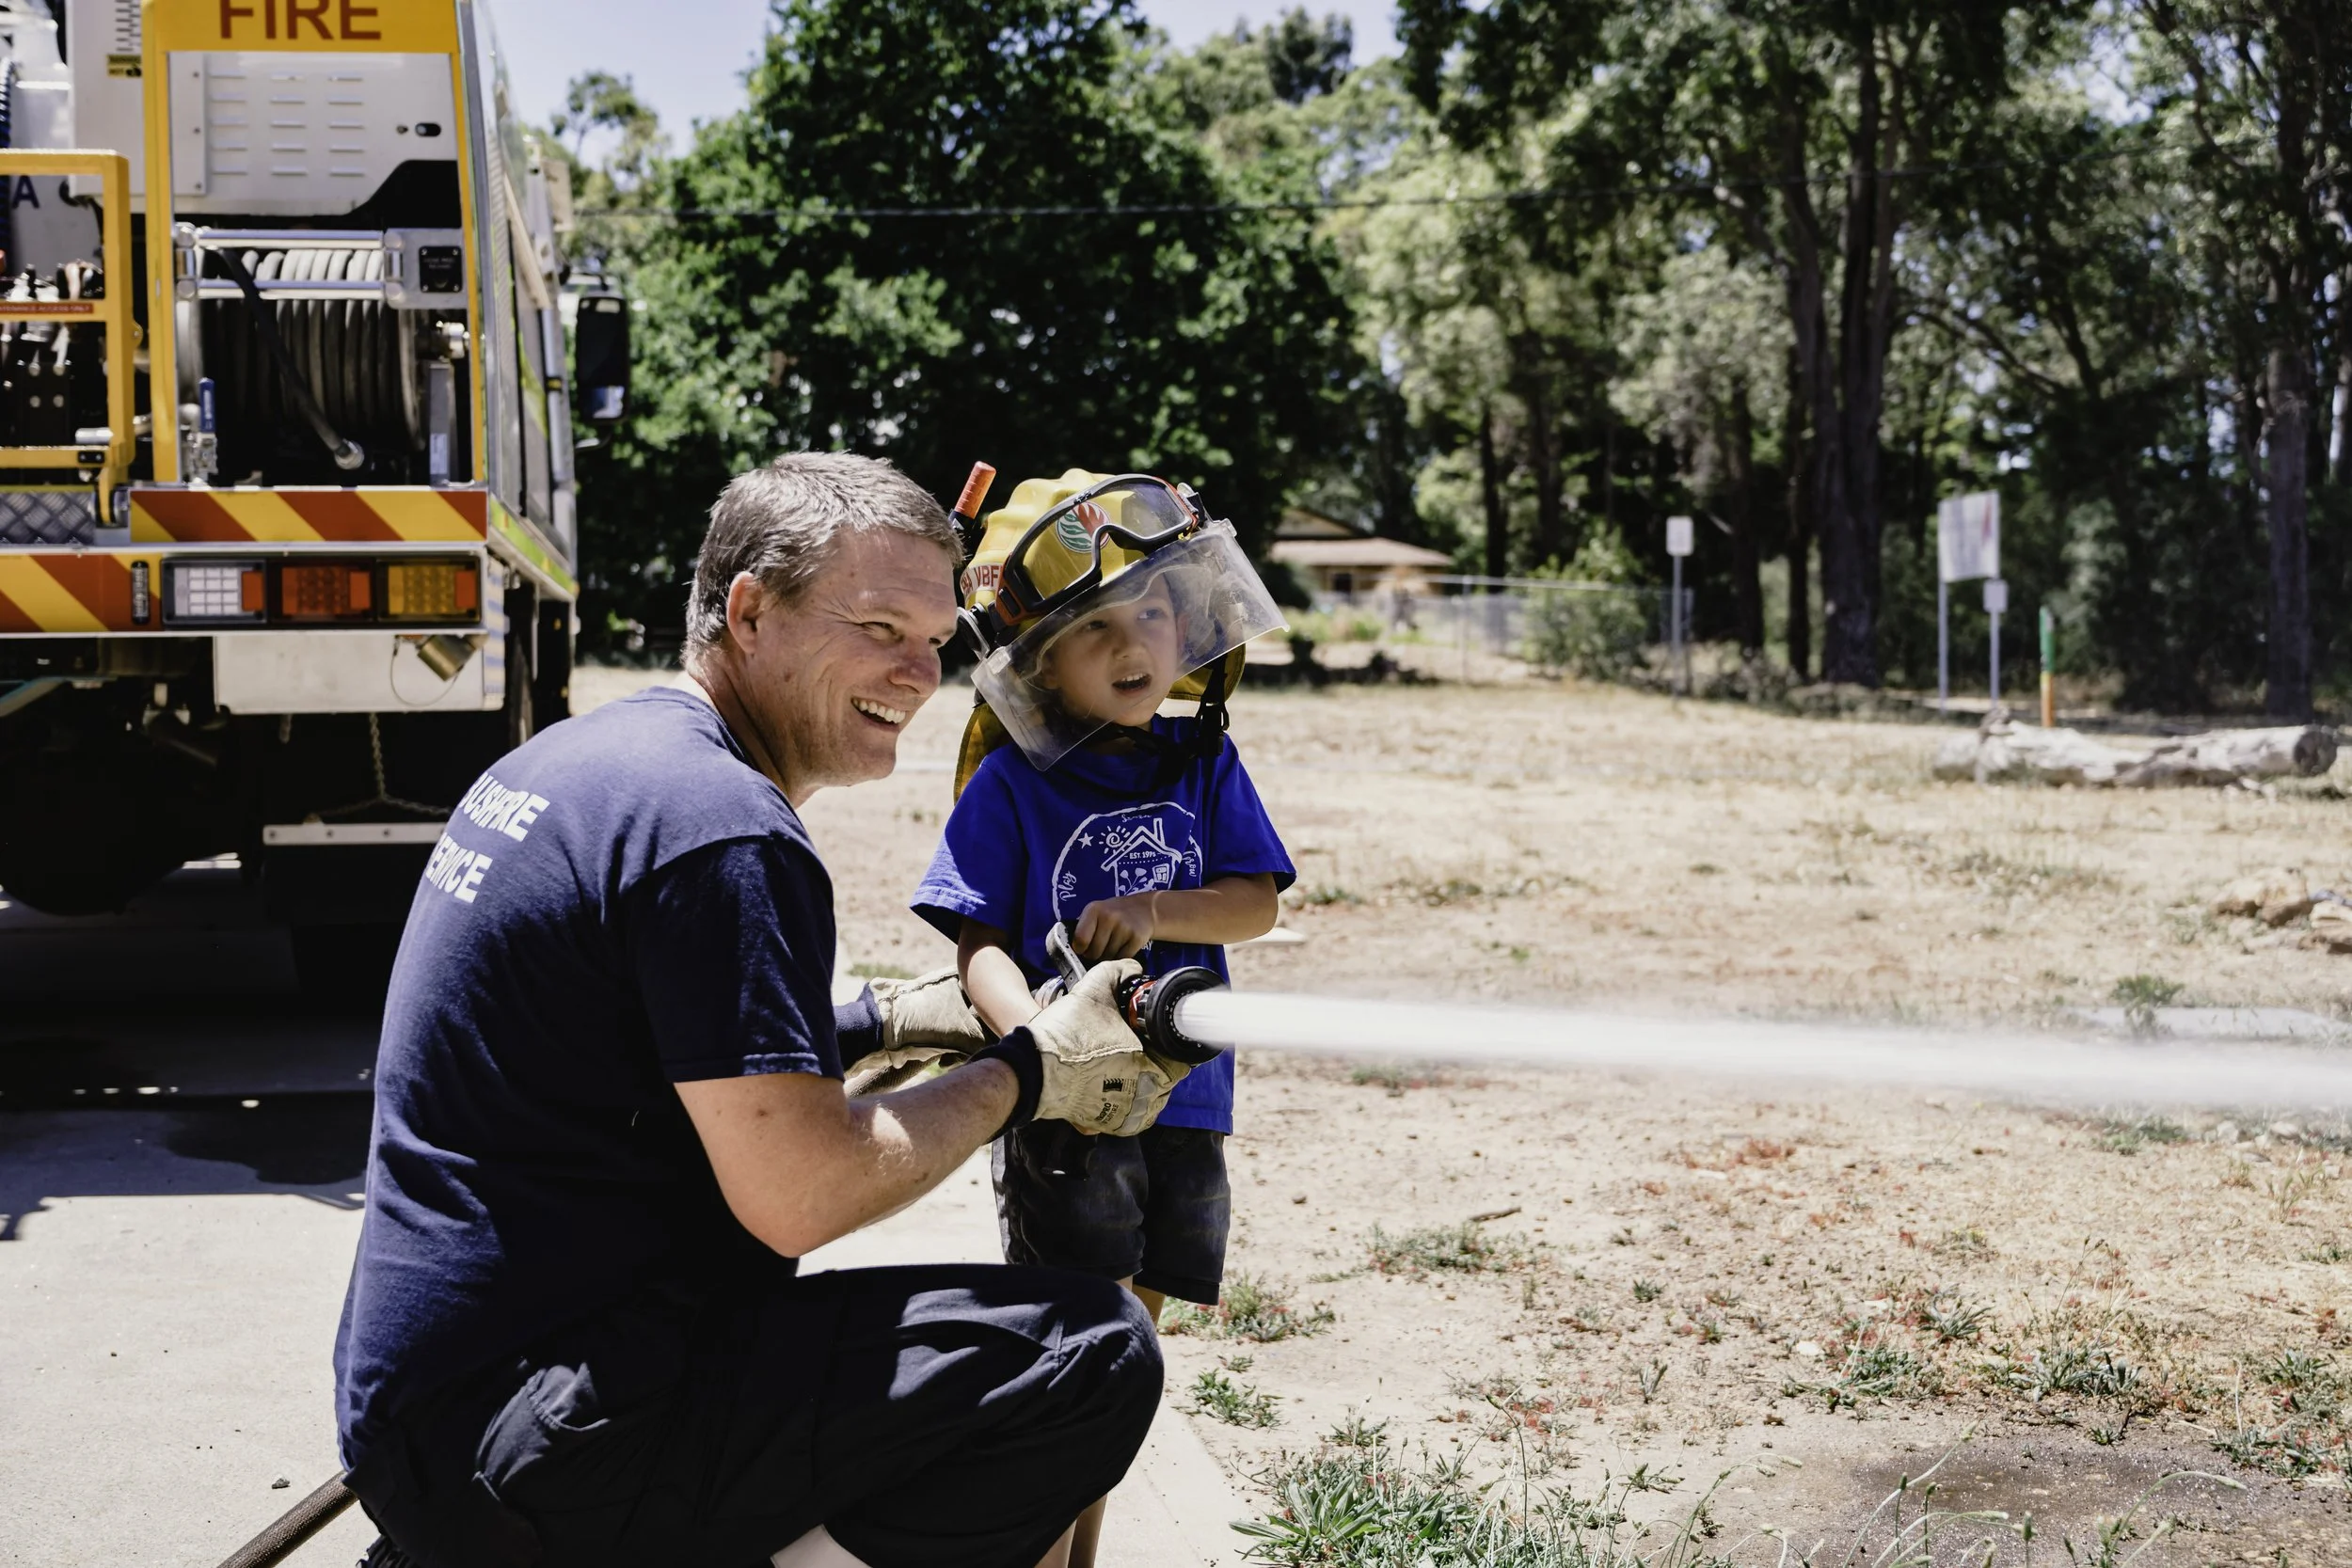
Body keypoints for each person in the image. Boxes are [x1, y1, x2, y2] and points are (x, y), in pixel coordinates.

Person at [332, 453, 1199, 1568]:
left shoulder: (594, 759)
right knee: (1086, 1354)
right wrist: (1029, 1072)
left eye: (934, 641)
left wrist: (882, 1019)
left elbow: (637, 1050)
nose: (916, 671)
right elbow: (801, 1194)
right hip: (535, 1449)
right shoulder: (725, 830)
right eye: (880, 625)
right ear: (750, 611)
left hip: (433, 1409)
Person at [910, 469, 1295, 1568]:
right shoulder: (1013, 788)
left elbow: (1255, 900)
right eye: (1097, 631)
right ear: (1037, 665)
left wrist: (1152, 910)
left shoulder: (1203, 759)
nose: (1137, 644)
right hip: (1068, 1116)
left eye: (1156, 611)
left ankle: (1080, 1548)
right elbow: (975, 938)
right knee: (1070, 1352)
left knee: (1129, 1354)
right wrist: (1034, 1049)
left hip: (1186, 1100)